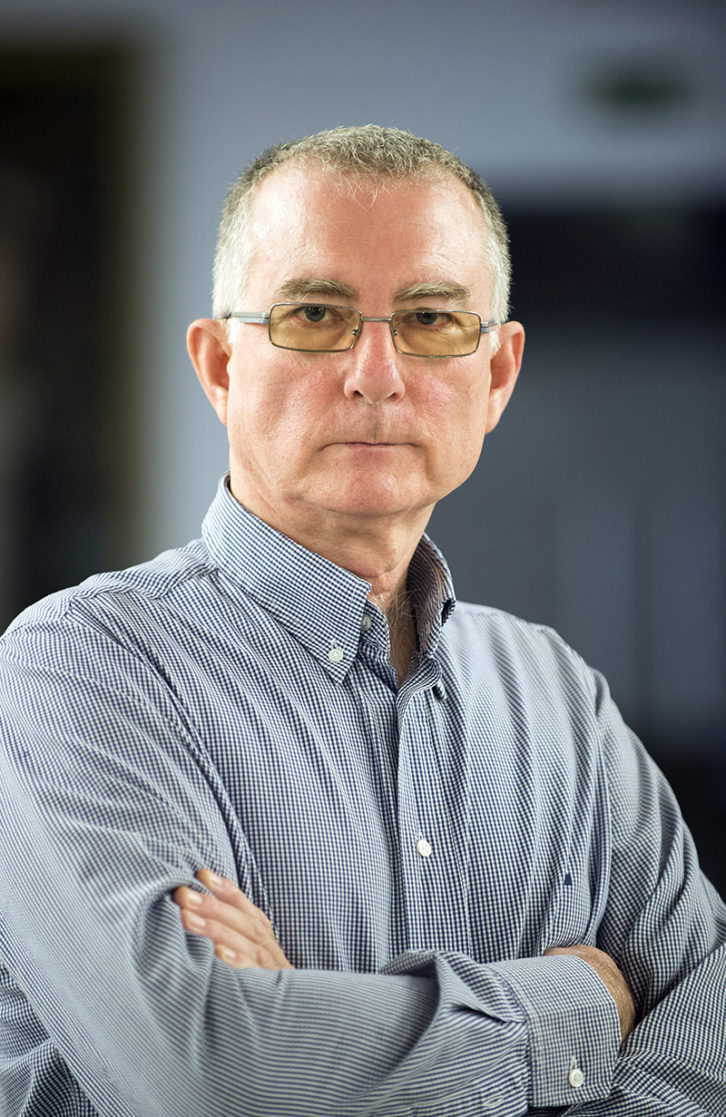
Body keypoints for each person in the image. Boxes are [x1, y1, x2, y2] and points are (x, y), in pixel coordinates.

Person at [0, 125, 723, 1117]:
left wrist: (307, 1026)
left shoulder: (559, 697)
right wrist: (582, 1003)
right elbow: (209, 1079)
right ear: (218, 365)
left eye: (429, 319)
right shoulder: (76, 674)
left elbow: (709, 1036)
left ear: (498, 374)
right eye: (313, 313)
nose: (375, 371)